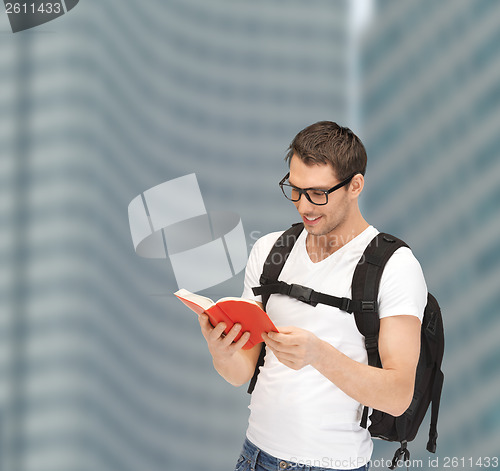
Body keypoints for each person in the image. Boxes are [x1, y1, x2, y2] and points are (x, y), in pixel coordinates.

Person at [198, 121, 427, 471]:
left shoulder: (394, 266)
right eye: (295, 188)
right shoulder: (269, 250)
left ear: (355, 185)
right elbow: (240, 372)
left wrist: (318, 354)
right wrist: (220, 350)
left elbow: (398, 396)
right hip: (255, 456)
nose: (303, 206)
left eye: (318, 193)